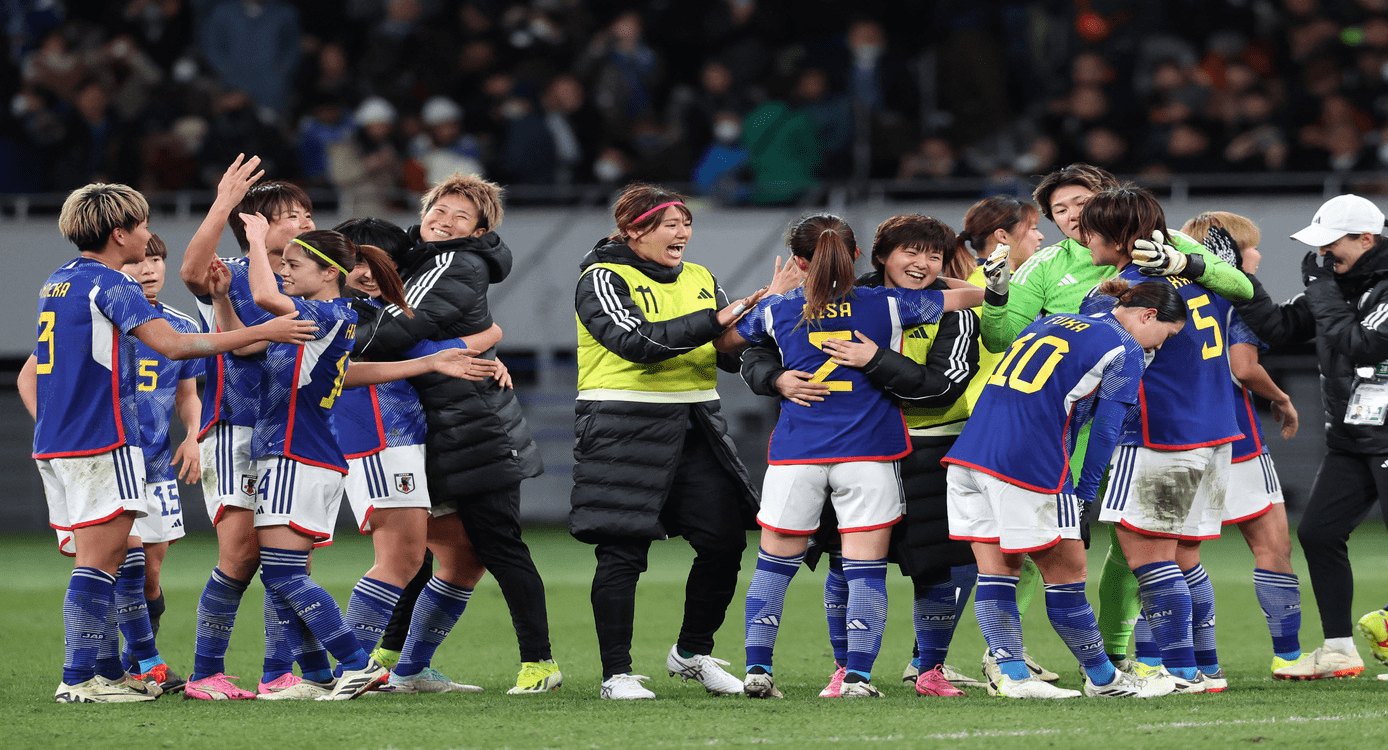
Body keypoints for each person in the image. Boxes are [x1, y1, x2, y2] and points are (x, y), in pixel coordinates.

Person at [18, 182, 313, 703]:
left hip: (59, 443)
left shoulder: (57, 282)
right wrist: (260, 334)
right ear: (119, 234)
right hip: (102, 439)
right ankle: (80, 678)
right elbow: (175, 346)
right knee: (100, 564)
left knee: (103, 561)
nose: (150, 235)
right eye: (143, 226)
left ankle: (103, 672)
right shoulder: (113, 284)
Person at [207, 221, 497, 701]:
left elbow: (261, 296)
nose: (281, 271)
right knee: (290, 572)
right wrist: (221, 301)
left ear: (328, 274)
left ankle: (354, 665)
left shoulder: (319, 314)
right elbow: (257, 345)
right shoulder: (326, 317)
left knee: (286, 574)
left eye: (292, 264)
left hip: (295, 451)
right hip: (305, 452)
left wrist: (256, 239)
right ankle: (319, 671)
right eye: (280, 263)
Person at [980, 163, 1252, 669]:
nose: (1073, 219)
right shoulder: (1060, 268)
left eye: (1083, 207)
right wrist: (998, 298)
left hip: (1144, 428)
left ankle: (1143, 661)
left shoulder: (1142, 276)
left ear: (1110, 211)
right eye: (1059, 210)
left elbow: (1242, 286)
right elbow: (1003, 339)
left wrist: (1178, 265)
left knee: (1141, 552)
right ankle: (1199, 666)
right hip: (1199, 428)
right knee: (1173, 556)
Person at [718, 213, 983, 699]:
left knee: (773, 567)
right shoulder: (886, 305)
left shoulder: (780, 309)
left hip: (797, 453)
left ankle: (758, 671)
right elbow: (972, 296)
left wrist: (770, 294)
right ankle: (858, 678)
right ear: (861, 255)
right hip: (870, 451)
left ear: (799, 261)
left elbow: (728, 344)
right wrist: (979, 281)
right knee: (865, 569)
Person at [570, 184, 786, 700]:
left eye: (686, 223)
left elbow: (726, 353)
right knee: (622, 551)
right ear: (634, 230)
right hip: (621, 427)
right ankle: (616, 675)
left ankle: (692, 653)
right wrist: (720, 319)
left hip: (695, 424)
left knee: (725, 541)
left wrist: (764, 313)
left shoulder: (700, 277)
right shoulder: (600, 277)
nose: (682, 232)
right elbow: (636, 342)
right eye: (670, 224)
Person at [354, 173, 560, 695]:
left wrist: (477, 345)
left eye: (459, 216)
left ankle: (539, 664)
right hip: (443, 427)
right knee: (425, 550)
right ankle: (394, 663)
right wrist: (483, 340)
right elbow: (417, 339)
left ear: (478, 229)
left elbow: (392, 334)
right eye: (438, 210)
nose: (443, 220)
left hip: (472, 428)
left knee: (494, 546)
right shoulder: (420, 258)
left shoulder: (451, 262)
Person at [944, 276, 1185, 700]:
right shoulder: (1125, 348)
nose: (1159, 348)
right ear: (1148, 315)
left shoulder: (1056, 320)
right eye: (1164, 336)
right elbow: (1107, 432)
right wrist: (1086, 496)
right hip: (1027, 462)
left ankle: (1014, 677)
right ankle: (1105, 680)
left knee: (997, 573)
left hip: (969, 455)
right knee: (1068, 575)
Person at [1079, 188, 1241, 694]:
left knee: (1145, 556)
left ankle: (1181, 672)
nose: (1083, 240)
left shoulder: (1127, 293)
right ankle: (1206, 667)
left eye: (1091, 231)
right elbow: (1246, 289)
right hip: (1214, 436)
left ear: (1116, 238)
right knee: (1183, 558)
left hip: (1157, 436)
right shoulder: (1200, 277)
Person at [330, 217, 499, 695]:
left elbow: (430, 347)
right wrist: (486, 338)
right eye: (356, 261)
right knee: (401, 558)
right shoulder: (342, 312)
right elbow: (435, 350)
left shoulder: (382, 311)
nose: (364, 272)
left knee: (465, 554)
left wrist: (483, 347)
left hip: (405, 443)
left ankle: (410, 670)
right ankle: (352, 669)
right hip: (379, 441)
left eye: (377, 262)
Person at [177, 155, 324, 701]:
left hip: (294, 434)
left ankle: (277, 674)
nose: (305, 221)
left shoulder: (312, 285)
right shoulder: (232, 274)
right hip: (237, 429)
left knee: (292, 560)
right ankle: (205, 672)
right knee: (240, 555)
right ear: (256, 227)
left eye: (307, 213)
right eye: (290, 215)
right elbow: (192, 272)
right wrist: (223, 202)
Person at [1229, 193, 1388, 678]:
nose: (1322, 256)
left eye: (1331, 245)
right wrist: (1240, 284)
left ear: (1367, 239)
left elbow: (1360, 344)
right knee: (1319, 533)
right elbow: (1278, 325)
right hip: (1352, 437)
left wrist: (1319, 287)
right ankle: (1339, 648)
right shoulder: (1339, 284)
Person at [1180, 212, 1306, 678]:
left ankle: (1195, 663)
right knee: (1272, 546)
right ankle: (1289, 657)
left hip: (1177, 438)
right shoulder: (1240, 298)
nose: (1257, 254)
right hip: (1236, 437)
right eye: (1250, 246)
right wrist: (1282, 398)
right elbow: (1244, 366)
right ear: (1228, 255)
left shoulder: (1167, 295)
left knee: (1175, 555)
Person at [118, 233, 204, 695]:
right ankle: (144, 663)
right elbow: (35, 371)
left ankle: (133, 663)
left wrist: (192, 436)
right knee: (126, 563)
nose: (149, 269)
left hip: (156, 465)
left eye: (156, 260)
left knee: (151, 574)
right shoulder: (103, 316)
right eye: (139, 261)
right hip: (110, 459)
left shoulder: (179, 323)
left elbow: (189, 396)